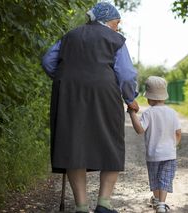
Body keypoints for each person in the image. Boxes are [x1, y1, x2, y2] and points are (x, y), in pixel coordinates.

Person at [41, 2, 139, 213]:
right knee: (111, 143)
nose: (118, 27)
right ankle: (104, 204)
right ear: (106, 20)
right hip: (105, 93)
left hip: (69, 95)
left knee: (73, 145)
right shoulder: (116, 40)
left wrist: (65, 79)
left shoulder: (70, 36)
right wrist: (130, 97)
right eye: (116, 22)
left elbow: (48, 60)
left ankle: (81, 207)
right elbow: (127, 75)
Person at [127, 76, 181, 213]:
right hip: (169, 154)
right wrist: (173, 146)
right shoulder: (172, 113)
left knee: (155, 178)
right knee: (165, 179)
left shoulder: (148, 113)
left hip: (153, 155)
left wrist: (132, 113)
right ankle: (161, 204)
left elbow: (139, 130)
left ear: (149, 97)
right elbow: (178, 133)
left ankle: (157, 200)